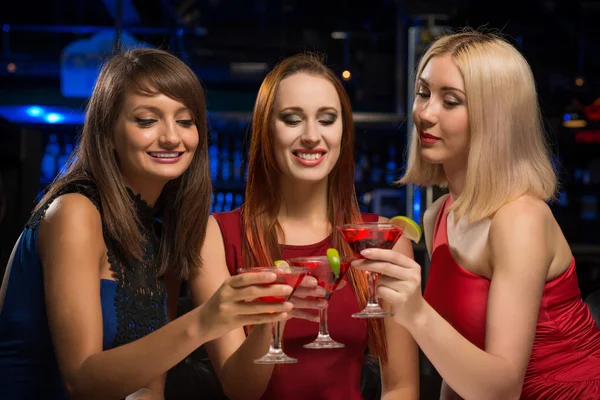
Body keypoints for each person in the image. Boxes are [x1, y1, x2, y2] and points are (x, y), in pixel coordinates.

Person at [0, 48, 295, 400]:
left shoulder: (161, 235)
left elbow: (149, 388)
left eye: (185, 121)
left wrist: (266, 320)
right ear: (108, 133)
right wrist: (205, 320)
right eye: (146, 120)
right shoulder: (73, 212)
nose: (172, 137)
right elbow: (80, 382)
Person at [353, 30, 600, 400]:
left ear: (495, 118)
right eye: (423, 93)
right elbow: (461, 362)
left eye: (450, 101)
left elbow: (502, 390)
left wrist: (416, 312)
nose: (425, 113)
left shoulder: (520, 219)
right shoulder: (439, 214)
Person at [188, 53, 420, 400]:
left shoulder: (380, 240)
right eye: (292, 119)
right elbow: (240, 390)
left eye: (327, 119)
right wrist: (274, 316)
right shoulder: (215, 237)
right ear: (267, 130)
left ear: (344, 131)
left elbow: (401, 387)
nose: (312, 136)